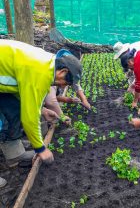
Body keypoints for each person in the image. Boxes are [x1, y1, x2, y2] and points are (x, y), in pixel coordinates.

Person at [0, 40, 82, 187]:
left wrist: (43, 110)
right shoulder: (40, 73)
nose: (64, 86)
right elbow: (29, 117)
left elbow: (25, 98)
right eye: (66, 83)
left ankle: (14, 153)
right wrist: (41, 148)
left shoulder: (47, 64)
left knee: (13, 110)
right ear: (63, 72)